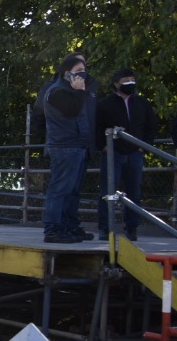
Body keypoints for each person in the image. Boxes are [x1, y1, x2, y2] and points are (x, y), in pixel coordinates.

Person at [95, 68, 159, 242]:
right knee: (107, 191)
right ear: (116, 83)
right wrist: (103, 146)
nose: (130, 82)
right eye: (126, 79)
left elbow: (151, 126)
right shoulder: (105, 103)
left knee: (134, 192)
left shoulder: (142, 103)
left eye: (132, 78)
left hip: (135, 153)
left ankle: (132, 228)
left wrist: (144, 146)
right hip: (113, 153)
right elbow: (96, 127)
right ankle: (105, 228)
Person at [40, 53, 97, 243]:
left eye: (84, 70)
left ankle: (69, 226)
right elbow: (71, 110)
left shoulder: (71, 91)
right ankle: (53, 229)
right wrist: (80, 91)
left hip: (77, 145)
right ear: (67, 73)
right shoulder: (57, 92)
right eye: (79, 71)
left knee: (73, 191)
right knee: (60, 189)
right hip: (64, 146)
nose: (83, 74)